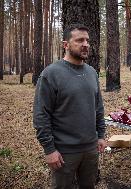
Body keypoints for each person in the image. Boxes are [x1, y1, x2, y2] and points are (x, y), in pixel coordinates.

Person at [33, 24, 107, 189]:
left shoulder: (91, 73)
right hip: (64, 151)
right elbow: (41, 115)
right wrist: (49, 150)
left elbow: (98, 108)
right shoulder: (51, 74)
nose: (86, 44)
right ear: (65, 45)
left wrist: (101, 135)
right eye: (80, 40)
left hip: (90, 148)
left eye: (87, 40)